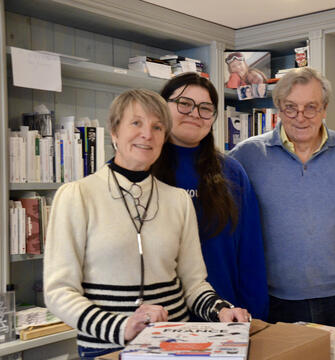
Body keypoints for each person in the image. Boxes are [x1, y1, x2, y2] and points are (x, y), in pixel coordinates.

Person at [44, 89, 250, 359]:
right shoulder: (77, 196)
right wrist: (123, 326)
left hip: (175, 345)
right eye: (136, 123)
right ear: (114, 131)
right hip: (106, 348)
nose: (147, 134)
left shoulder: (177, 200)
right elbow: (59, 292)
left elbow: (193, 283)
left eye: (157, 127)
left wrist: (221, 309)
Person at [229, 67, 335, 330]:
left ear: (324, 109)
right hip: (274, 300)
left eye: (311, 107)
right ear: (278, 108)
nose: (301, 117)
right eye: (290, 108)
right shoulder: (248, 155)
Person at [152, 73, 268, 321]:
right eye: (184, 103)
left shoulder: (232, 172)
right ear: (162, 107)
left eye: (205, 108)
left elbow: (250, 253)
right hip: (158, 320)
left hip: (225, 316)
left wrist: (255, 317)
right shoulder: (142, 169)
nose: (194, 113)